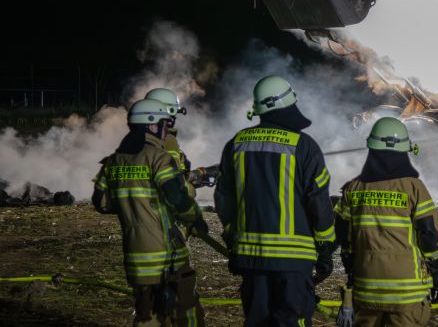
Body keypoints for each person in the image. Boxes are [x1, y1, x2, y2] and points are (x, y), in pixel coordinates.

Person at [214, 75, 336, 327]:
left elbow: (224, 198)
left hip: (251, 257)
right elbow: (318, 202)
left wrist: (233, 237)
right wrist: (325, 248)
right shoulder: (304, 146)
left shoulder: (236, 143)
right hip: (293, 261)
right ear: (290, 103)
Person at [92, 98, 208, 326]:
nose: (166, 131)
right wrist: (196, 220)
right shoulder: (159, 157)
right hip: (167, 255)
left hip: (136, 257)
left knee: (147, 316)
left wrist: (134, 205)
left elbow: (102, 203)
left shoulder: (113, 161)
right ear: (152, 125)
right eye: (164, 125)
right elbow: (178, 199)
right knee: (186, 312)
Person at [334, 117, 438, 327]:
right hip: (408, 293)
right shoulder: (414, 187)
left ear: (372, 150)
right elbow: (430, 237)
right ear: (404, 151)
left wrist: (351, 267)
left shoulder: (353, 188)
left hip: (366, 289)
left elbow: (343, 237)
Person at [144, 88, 219, 196]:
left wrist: (200, 174)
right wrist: (199, 176)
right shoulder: (168, 140)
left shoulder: (139, 139)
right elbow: (174, 185)